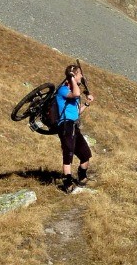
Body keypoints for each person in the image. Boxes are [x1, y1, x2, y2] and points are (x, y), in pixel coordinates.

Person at [56, 63, 94, 192]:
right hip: (65, 125)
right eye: (79, 74)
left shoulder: (73, 93)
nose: (81, 77)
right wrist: (71, 77)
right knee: (68, 154)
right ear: (73, 75)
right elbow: (76, 94)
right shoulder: (63, 90)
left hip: (74, 125)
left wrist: (87, 104)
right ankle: (67, 182)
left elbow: (77, 113)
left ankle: (81, 176)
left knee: (86, 155)